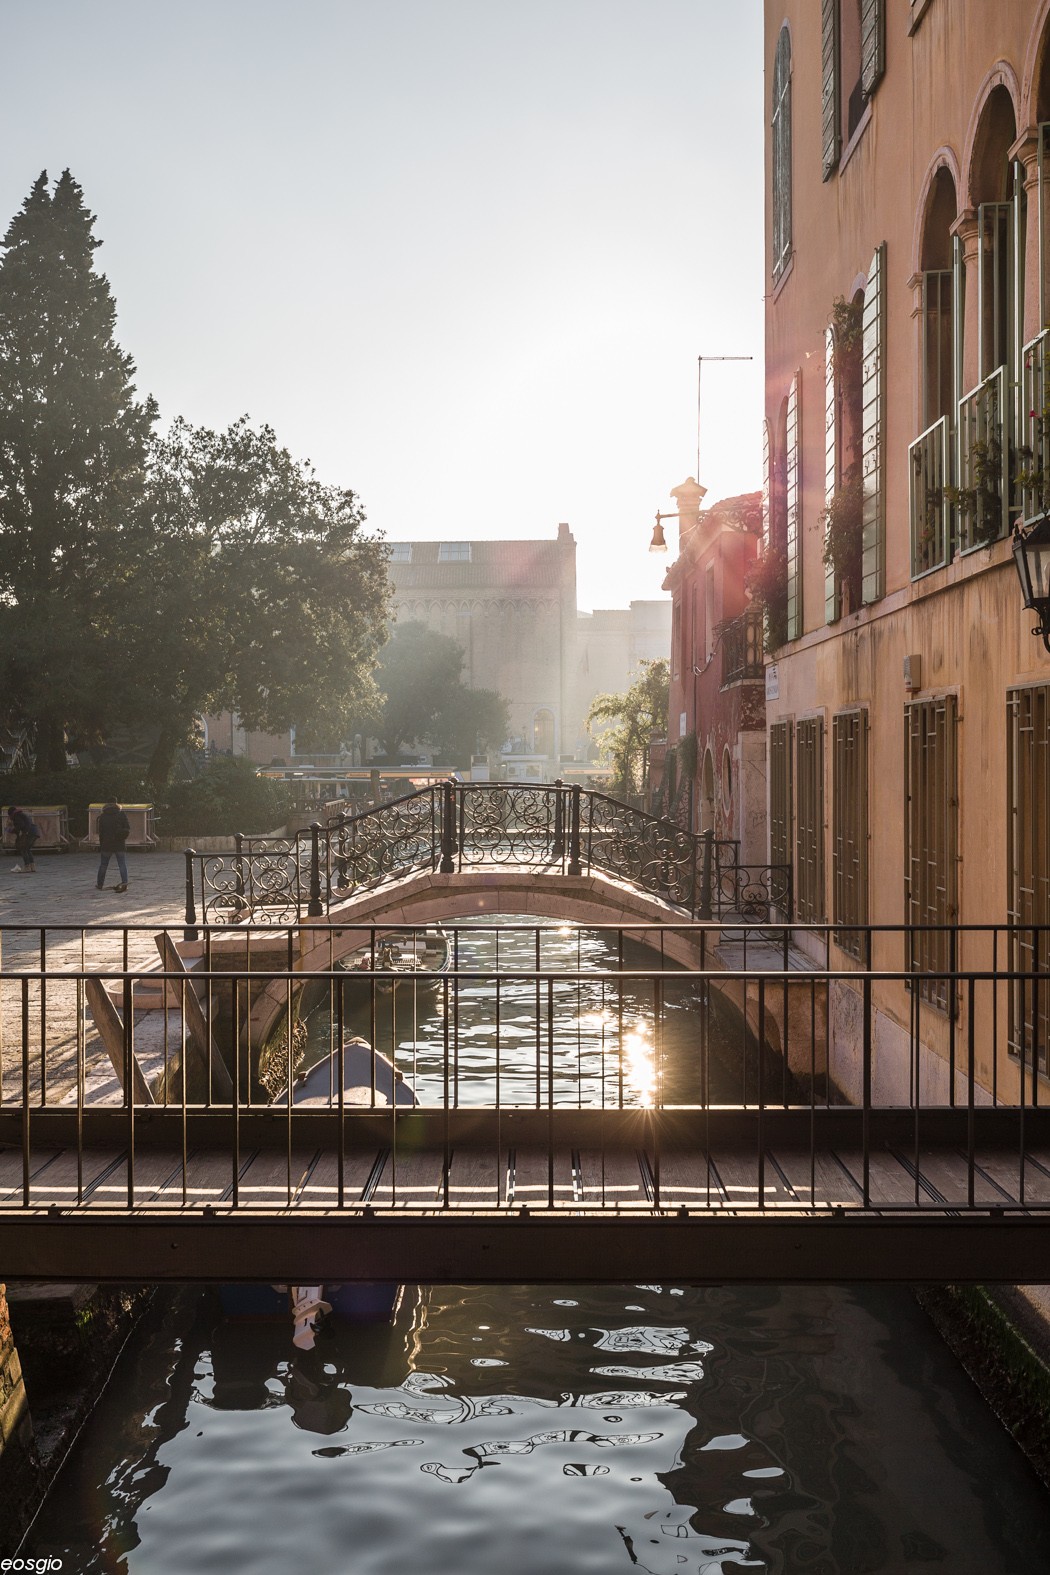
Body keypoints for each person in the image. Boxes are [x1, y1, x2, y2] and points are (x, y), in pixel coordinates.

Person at [96, 798, 131, 893]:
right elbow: (127, 828)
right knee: (122, 864)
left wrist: (101, 845)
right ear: (116, 803)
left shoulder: (103, 816)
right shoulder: (121, 814)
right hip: (119, 843)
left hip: (106, 844)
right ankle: (124, 883)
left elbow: (101, 833)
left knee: (103, 865)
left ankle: (100, 884)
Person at [7, 806, 39, 873]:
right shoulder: (21, 814)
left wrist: (11, 830)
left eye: (9, 816)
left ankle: (27, 867)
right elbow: (22, 825)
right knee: (27, 849)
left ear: (11, 814)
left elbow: (20, 826)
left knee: (23, 849)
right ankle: (32, 867)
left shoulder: (17, 816)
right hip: (34, 832)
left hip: (29, 832)